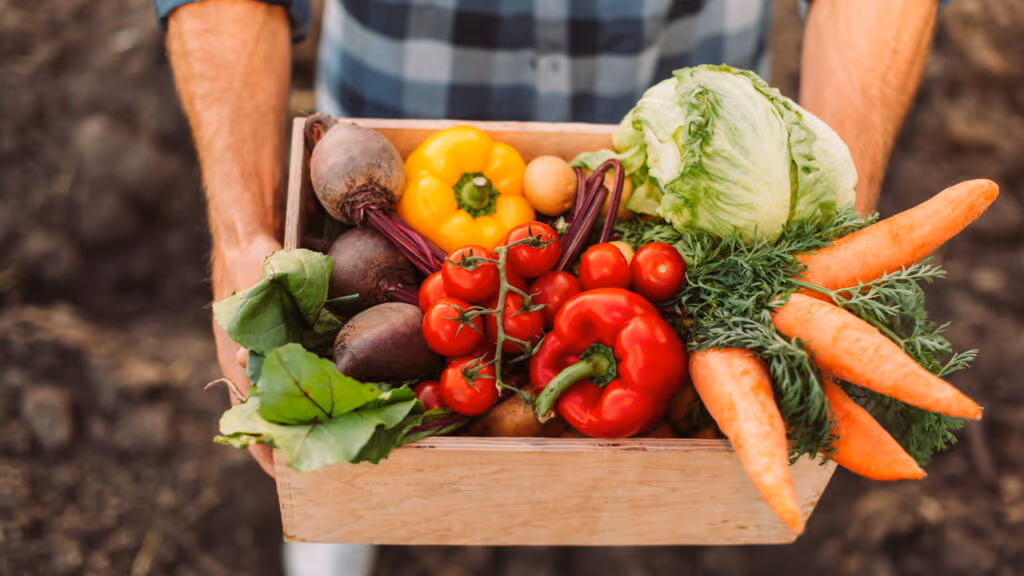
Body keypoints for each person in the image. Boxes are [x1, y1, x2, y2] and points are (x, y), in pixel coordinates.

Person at [156, 0, 942, 573]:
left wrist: (839, 207)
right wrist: (240, 234)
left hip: (695, 163)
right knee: (355, 449)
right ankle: (340, 533)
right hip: (392, 135)